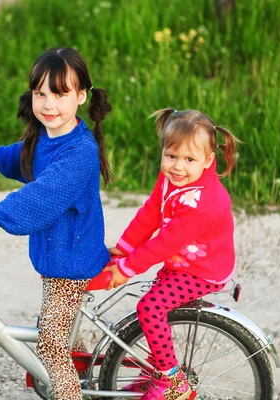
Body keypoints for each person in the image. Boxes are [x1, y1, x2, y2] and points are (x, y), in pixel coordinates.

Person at [0, 47, 112, 400]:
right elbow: (22, 155)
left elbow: (41, 196)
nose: (49, 104)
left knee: (51, 348)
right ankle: (78, 370)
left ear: (81, 96)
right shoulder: (46, 136)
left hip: (71, 263)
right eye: (41, 94)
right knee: (58, 334)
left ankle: (69, 390)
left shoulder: (80, 152)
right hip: (57, 257)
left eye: (60, 94)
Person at [103, 108, 240, 400]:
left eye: (189, 160)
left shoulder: (201, 206)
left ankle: (172, 381)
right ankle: (154, 369)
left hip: (202, 271)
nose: (178, 166)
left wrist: (125, 268)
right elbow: (151, 212)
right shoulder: (171, 180)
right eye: (171, 156)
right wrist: (125, 247)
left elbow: (164, 243)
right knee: (155, 308)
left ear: (208, 161)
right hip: (183, 262)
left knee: (150, 308)